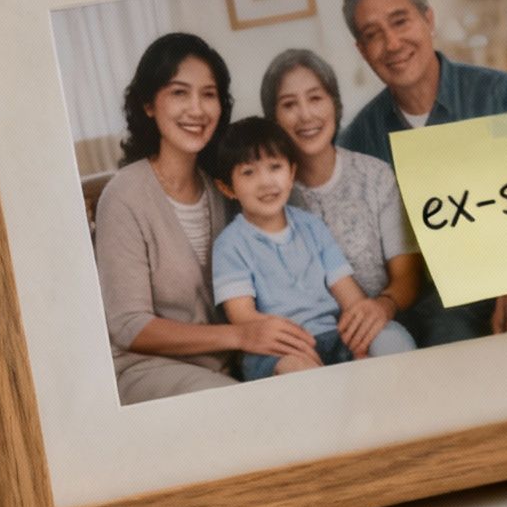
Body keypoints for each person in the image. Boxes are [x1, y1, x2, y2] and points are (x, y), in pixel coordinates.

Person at [334, 0, 507, 341]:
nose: (392, 44)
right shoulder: (359, 141)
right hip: (433, 305)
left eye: (400, 21)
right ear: (362, 51)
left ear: (428, 20)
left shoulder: (501, 95)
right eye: (373, 35)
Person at [94, 33, 315, 404]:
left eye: (208, 94)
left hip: (234, 360)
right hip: (150, 368)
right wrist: (241, 336)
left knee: (314, 382)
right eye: (179, 93)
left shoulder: (224, 187)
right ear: (149, 103)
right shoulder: (124, 196)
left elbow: (289, 217)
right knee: (249, 408)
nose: (196, 109)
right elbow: (130, 326)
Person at [206, 117, 414, 381]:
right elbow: (243, 317)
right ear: (227, 188)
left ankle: (398, 409)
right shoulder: (230, 244)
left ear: (292, 173)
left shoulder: (311, 226)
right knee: (299, 372)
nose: (266, 182)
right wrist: (293, 345)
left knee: (391, 337)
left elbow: (350, 296)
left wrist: (361, 330)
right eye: (249, 172)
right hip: (277, 349)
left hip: (333, 335)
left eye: (275, 167)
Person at [261, 48, 433, 348]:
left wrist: (381, 307)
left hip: (380, 326)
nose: (305, 115)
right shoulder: (268, 193)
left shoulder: (375, 176)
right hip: (307, 338)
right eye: (289, 104)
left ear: (335, 104)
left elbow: (407, 275)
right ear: (273, 118)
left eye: (316, 98)